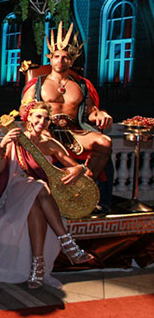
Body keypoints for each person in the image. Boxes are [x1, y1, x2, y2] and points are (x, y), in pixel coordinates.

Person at [0, 101, 94, 289]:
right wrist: (3, 145)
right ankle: (69, 244)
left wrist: (79, 169)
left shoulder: (50, 144)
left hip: (37, 198)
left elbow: (77, 168)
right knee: (38, 187)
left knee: (36, 198)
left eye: (47, 118)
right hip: (13, 192)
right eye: (38, 116)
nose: (43, 121)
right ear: (28, 118)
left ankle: (37, 268)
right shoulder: (16, 140)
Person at [21, 21, 113, 211]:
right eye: (56, 57)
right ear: (50, 58)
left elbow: (91, 112)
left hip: (74, 130)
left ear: (71, 60)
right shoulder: (38, 83)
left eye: (65, 57)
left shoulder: (81, 85)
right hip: (47, 130)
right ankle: (60, 194)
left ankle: (85, 187)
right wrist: (29, 111)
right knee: (47, 144)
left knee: (104, 142)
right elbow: (24, 108)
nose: (60, 61)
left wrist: (101, 114)